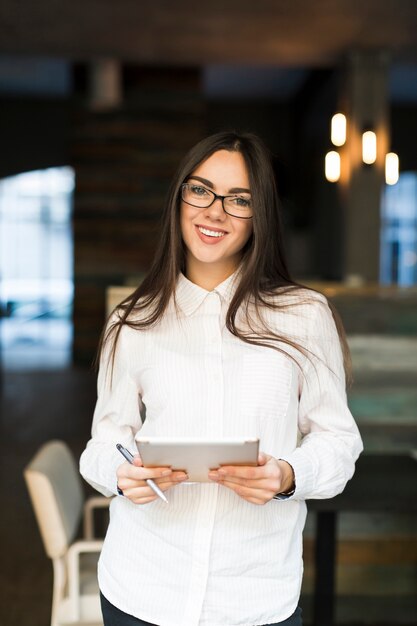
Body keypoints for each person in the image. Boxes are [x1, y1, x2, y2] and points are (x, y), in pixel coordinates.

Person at [80, 131, 363, 626]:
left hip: (254, 596)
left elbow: (339, 443)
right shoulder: (132, 320)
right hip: (142, 586)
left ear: (261, 217)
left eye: (240, 200)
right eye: (201, 190)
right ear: (180, 197)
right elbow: (103, 445)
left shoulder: (304, 315)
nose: (215, 211)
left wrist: (286, 476)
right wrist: (123, 476)